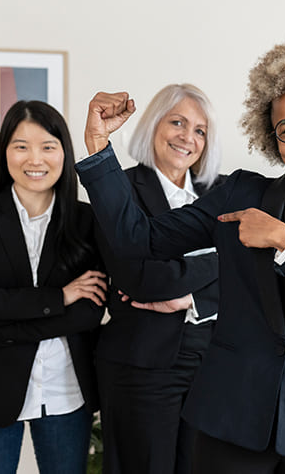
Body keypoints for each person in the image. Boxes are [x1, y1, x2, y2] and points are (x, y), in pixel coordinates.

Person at [75, 32, 285, 474]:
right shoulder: (240, 192)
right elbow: (140, 240)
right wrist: (98, 149)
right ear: (273, 137)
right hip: (231, 421)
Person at [0, 100, 107, 474]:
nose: (35, 159)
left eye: (48, 146)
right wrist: (59, 297)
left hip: (67, 393)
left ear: (64, 151)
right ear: (5, 152)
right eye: (21, 146)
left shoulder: (86, 220)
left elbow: (90, 310)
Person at [94, 83, 223, 474]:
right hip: (143, 366)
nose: (188, 137)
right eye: (178, 122)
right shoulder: (122, 191)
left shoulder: (221, 192)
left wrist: (191, 298)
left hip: (211, 364)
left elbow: (254, 272)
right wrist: (222, 259)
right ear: (153, 125)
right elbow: (143, 279)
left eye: (200, 130)